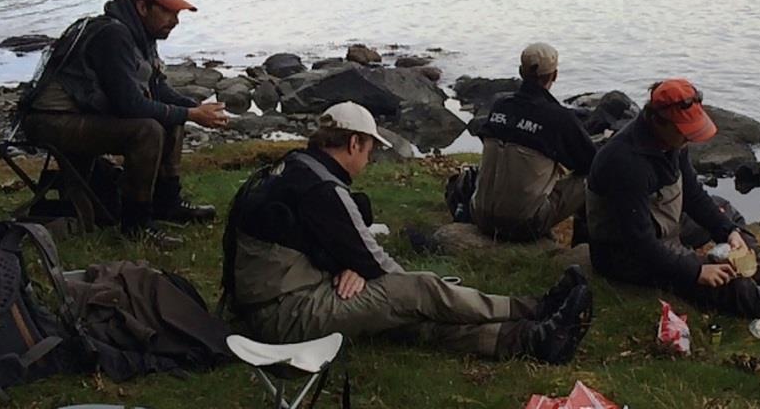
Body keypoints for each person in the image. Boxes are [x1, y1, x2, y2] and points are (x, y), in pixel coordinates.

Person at [222, 102, 592, 363]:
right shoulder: (322, 189)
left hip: (272, 303)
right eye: (368, 150)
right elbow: (377, 264)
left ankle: (530, 340)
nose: (368, 161)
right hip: (285, 314)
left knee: (404, 321)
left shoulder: (292, 169)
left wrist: (355, 268)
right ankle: (535, 307)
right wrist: (402, 289)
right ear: (354, 143)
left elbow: (323, 243)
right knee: (418, 293)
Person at [586, 79, 760, 333]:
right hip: (624, 255)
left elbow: (694, 195)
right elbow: (640, 243)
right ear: (658, 120)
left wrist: (728, 231)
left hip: (661, 226)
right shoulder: (625, 162)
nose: (689, 138)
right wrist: (696, 270)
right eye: (684, 131)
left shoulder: (670, 143)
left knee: (725, 214)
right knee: (726, 285)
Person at [20, 0, 228, 240]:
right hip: (50, 121)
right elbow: (128, 104)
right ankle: (136, 226)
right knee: (147, 130)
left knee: (169, 119)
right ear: (143, 7)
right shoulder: (113, 35)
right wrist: (192, 115)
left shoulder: (142, 34)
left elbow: (157, 88)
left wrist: (198, 108)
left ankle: (167, 204)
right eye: (168, 13)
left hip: (82, 115)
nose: (175, 22)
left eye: (177, 14)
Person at [472, 42, 598, 241]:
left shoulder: (500, 105)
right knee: (595, 175)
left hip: (478, 214)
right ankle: (583, 245)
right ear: (554, 76)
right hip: (523, 225)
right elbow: (591, 162)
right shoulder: (558, 117)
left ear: (521, 72)